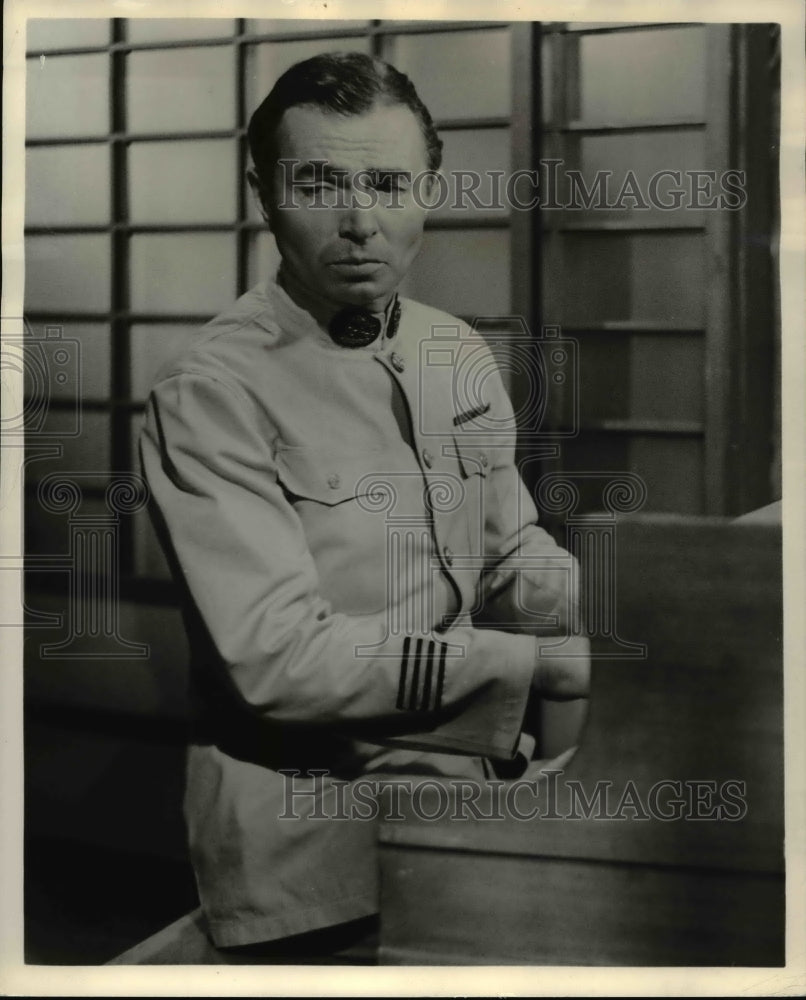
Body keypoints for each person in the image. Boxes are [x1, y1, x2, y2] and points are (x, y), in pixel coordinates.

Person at [139, 51, 589, 960]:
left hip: (473, 796)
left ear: (430, 188)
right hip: (308, 844)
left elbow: (509, 545)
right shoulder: (211, 392)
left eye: (388, 183)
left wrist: (603, 614)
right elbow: (278, 660)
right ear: (263, 191)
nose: (359, 222)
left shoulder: (451, 348)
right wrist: (531, 665)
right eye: (319, 183)